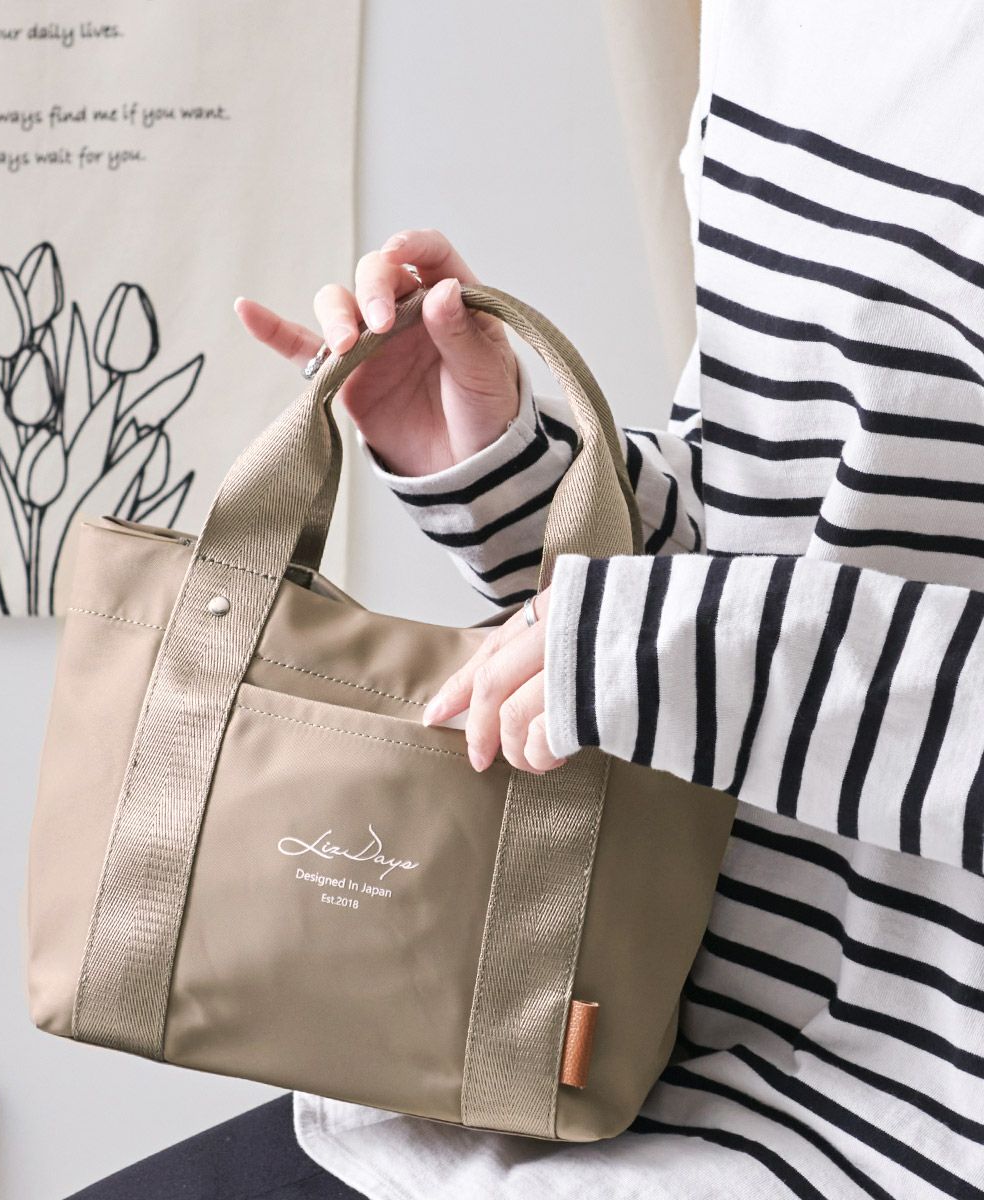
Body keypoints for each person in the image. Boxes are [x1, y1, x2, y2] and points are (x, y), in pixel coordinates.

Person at [71, 2, 984, 1196]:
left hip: (912, 1125)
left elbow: (728, 647)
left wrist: (697, 654)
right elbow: (780, 511)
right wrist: (497, 467)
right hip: (629, 1034)